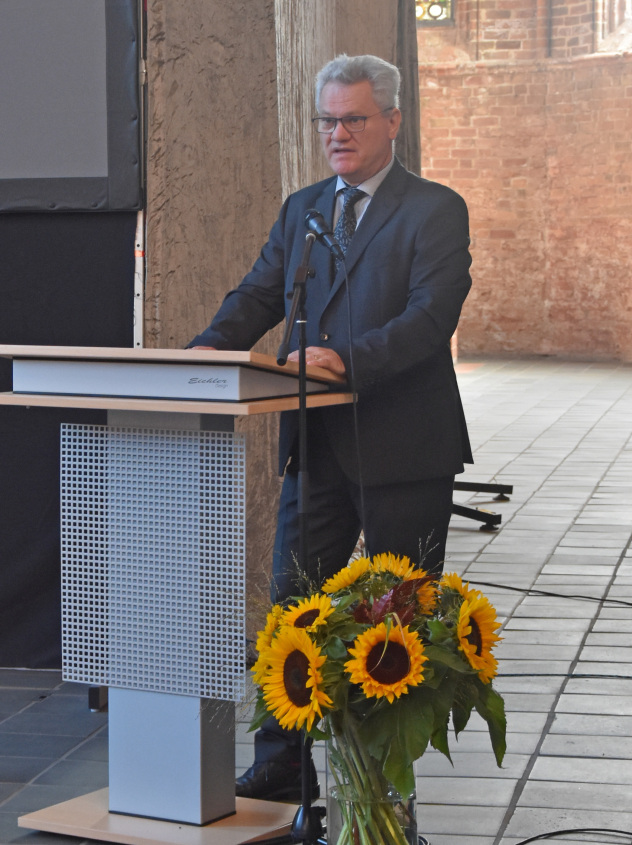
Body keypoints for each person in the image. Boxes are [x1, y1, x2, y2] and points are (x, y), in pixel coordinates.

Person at [190, 53, 473, 802]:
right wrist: (201, 354)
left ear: (392, 121)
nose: (337, 134)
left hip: (404, 447)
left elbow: (429, 318)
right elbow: (257, 295)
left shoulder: (435, 209)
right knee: (292, 603)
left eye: (352, 119)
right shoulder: (305, 207)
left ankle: (382, 779)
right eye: (327, 121)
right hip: (313, 447)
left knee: (395, 622)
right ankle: (283, 762)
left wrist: (345, 360)